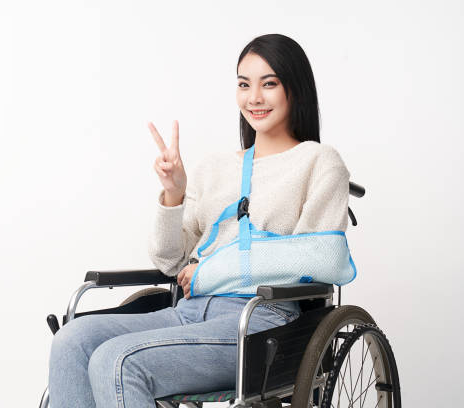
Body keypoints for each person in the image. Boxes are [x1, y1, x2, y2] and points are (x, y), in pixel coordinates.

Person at [48, 33, 351, 408]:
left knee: (117, 361)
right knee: (71, 341)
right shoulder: (215, 168)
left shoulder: (318, 162)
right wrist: (174, 194)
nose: (254, 97)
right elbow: (172, 263)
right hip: (189, 312)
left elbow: (324, 259)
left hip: (259, 323)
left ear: (295, 88)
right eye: (244, 84)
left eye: (268, 83)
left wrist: (210, 271)